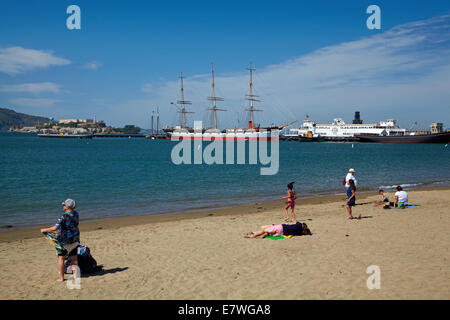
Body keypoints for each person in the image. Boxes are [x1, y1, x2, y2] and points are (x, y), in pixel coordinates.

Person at [41, 199, 80, 282]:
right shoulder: (76, 214)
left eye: (63, 205)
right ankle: (76, 276)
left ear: (66, 207)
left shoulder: (63, 216)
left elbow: (55, 228)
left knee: (61, 258)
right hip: (75, 239)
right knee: (74, 258)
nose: (63, 206)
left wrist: (45, 230)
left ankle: (61, 278)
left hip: (64, 241)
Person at [245, 221, 312, 238]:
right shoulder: (299, 233)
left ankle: (253, 236)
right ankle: (255, 232)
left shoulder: (299, 225)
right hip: (282, 233)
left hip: (281, 227)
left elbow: (297, 222)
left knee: (264, 230)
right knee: (267, 230)